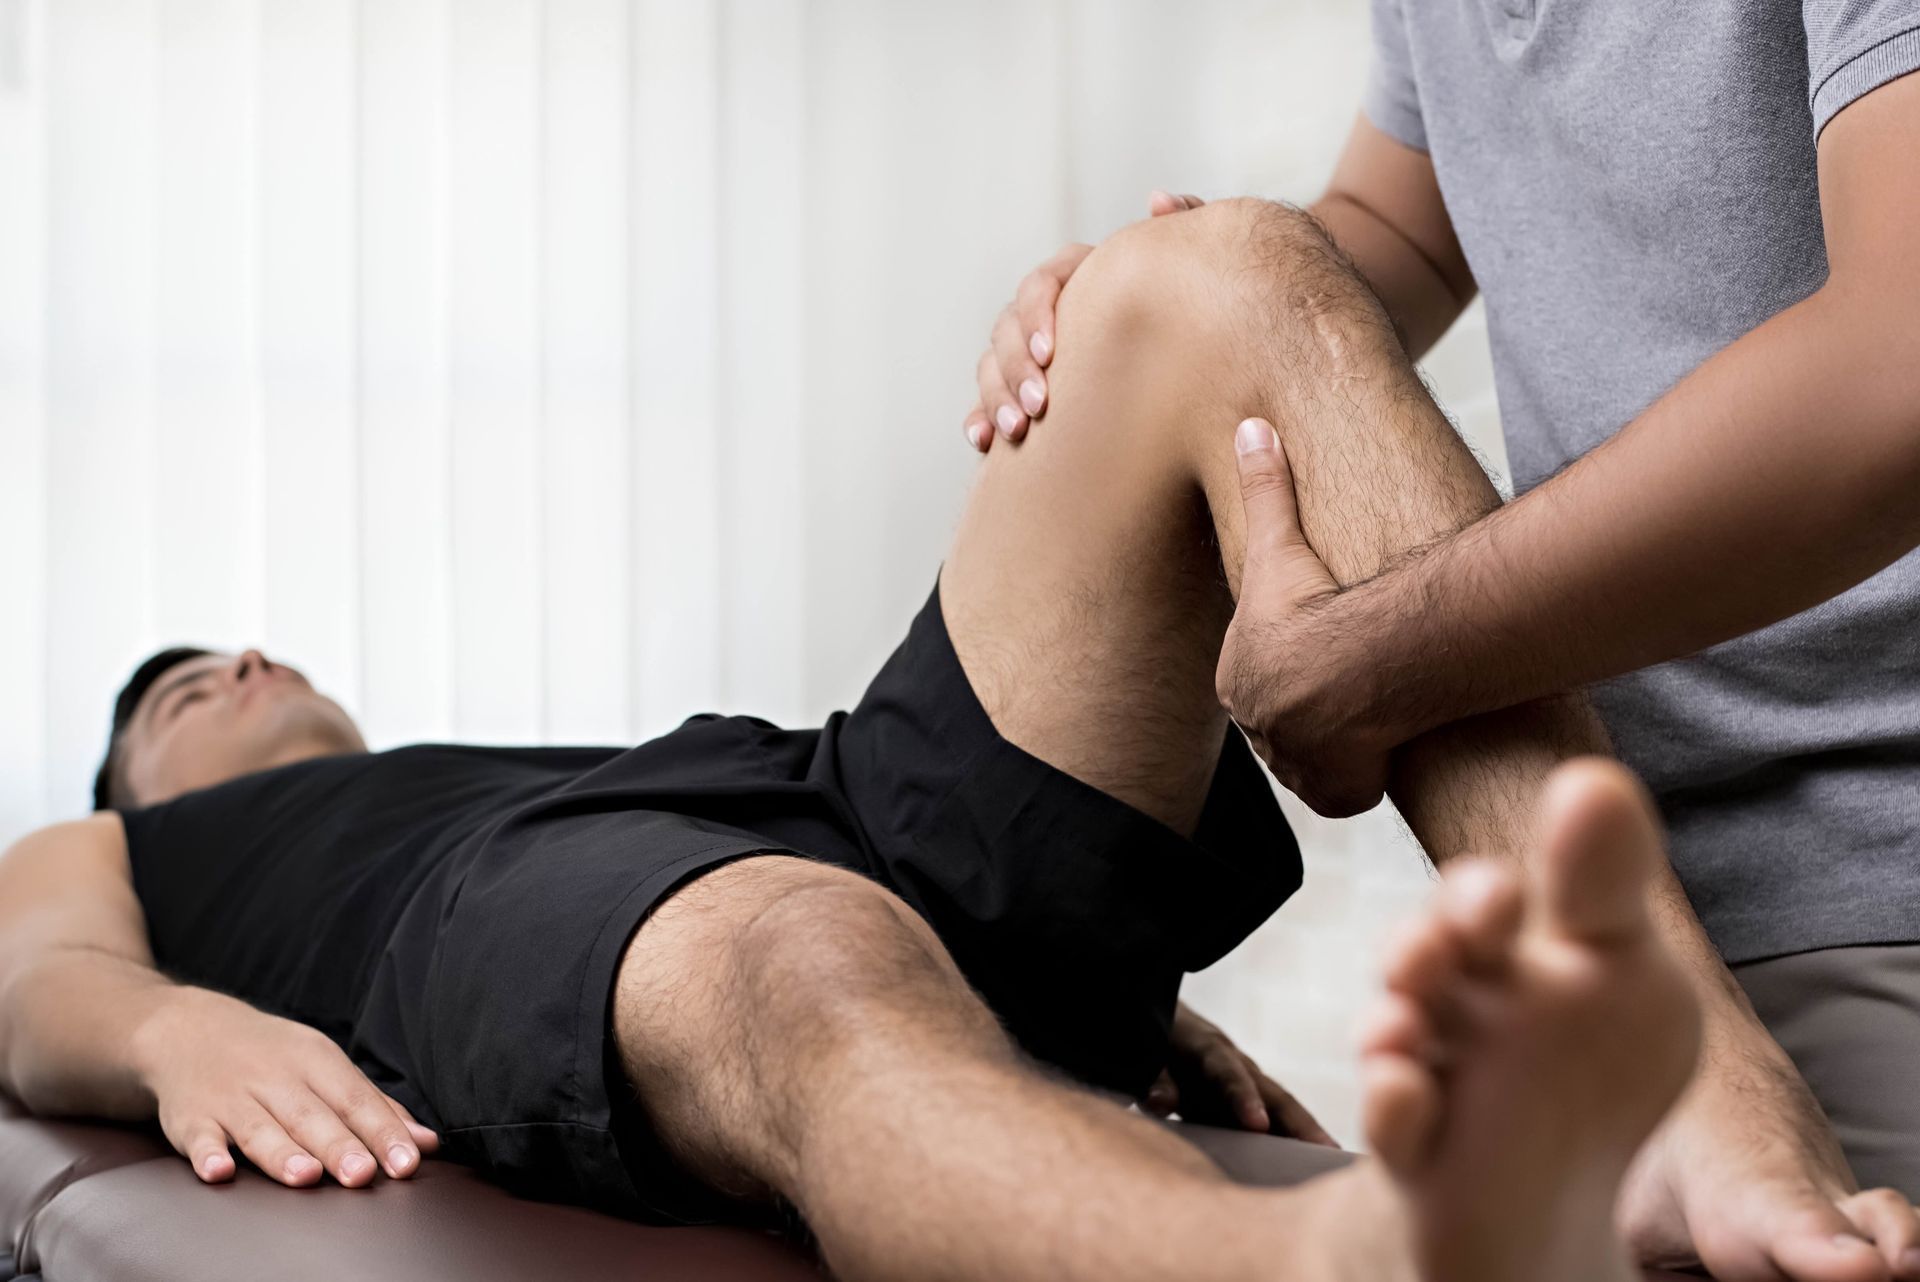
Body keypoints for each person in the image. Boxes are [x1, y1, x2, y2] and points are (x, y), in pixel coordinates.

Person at [0, 195, 1785, 1279]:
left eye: (245, 650)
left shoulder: (487, 767)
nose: (231, 665)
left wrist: (1089, 987)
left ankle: (1696, 1083)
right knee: (796, 945)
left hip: (814, 783)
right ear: (139, 783)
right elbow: (31, 976)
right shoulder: (146, 855)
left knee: (1211, 275)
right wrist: (169, 1032)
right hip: (593, 907)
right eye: (175, 694)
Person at [967, 5, 1920, 1277]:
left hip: (1869, 886)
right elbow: (1402, 223)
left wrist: (1388, 654)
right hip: (1621, 906)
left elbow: (1898, 367)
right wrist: (1177, 304)